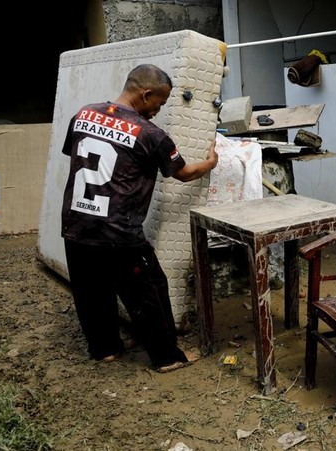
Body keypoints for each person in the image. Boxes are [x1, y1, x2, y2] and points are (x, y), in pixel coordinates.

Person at [60, 64, 218, 373]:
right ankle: (167, 357)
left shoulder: (82, 115)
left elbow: (76, 155)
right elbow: (183, 174)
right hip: (119, 232)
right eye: (158, 103)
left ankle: (105, 349)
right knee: (150, 290)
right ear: (145, 94)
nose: (158, 111)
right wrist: (210, 163)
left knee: (92, 291)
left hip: (77, 224)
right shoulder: (151, 134)